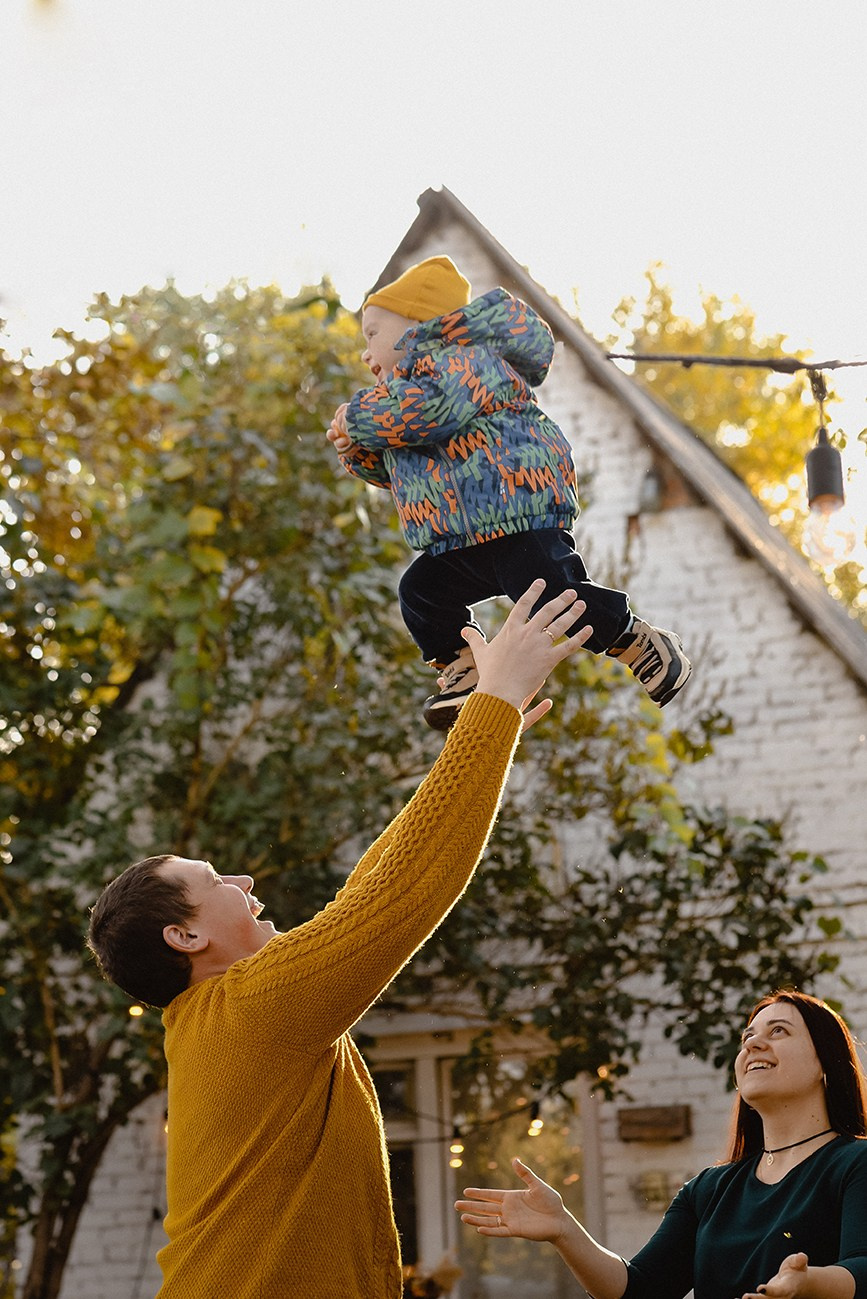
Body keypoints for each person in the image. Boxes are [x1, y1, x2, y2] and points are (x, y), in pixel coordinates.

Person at [87, 581, 592, 1299]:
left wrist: (487, 728)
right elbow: (399, 892)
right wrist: (495, 701)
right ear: (186, 933)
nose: (244, 878)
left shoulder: (227, 1017)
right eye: (214, 879)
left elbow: (370, 887)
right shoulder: (252, 1006)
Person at [326, 254, 691, 730]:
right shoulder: (399, 400)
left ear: (417, 324)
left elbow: (431, 411)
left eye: (372, 333)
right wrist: (357, 449)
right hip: (466, 537)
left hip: (520, 512)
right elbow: (400, 469)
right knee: (421, 590)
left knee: (551, 601)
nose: (364, 351)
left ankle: (636, 639)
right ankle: (462, 666)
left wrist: (358, 419)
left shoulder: (463, 361)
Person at [456, 990, 867, 1299]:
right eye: (748, 1036)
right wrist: (565, 1230)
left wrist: (807, 1282)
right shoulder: (709, 1189)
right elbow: (638, 1289)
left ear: (825, 1064)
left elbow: (862, 1268)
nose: (752, 1045)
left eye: (779, 1031)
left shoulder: (855, 1163)